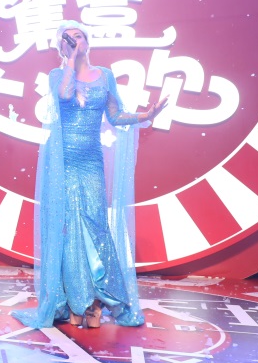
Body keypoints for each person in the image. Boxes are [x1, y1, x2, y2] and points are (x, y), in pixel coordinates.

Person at [13, 21, 166, 330]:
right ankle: (75, 302)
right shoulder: (57, 75)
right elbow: (65, 95)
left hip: (91, 160)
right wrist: (71, 59)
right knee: (69, 227)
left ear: (88, 40)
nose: (74, 40)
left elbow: (115, 115)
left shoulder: (105, 75)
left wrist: (146, 115)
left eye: (78, 36)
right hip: (63, 161)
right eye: (67, 39)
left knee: (96, 225)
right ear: (61, 47)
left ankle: (99, 299)